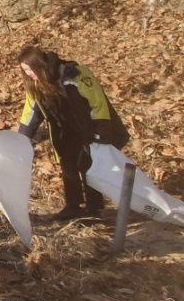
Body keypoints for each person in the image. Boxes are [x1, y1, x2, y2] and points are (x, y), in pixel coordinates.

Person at [17, 47, 129, 222]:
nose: (29, 74)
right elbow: (31, 112)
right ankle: (73, 206)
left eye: (30, 69)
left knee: (88, 165)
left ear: (39, 65)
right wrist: (22, 137)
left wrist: (101, 132)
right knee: (67, 164)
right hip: (64, 131)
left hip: (89, 127)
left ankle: (94, 208)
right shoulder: (35, 85)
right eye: (25, 71)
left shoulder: (76, 74)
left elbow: (98, 103)